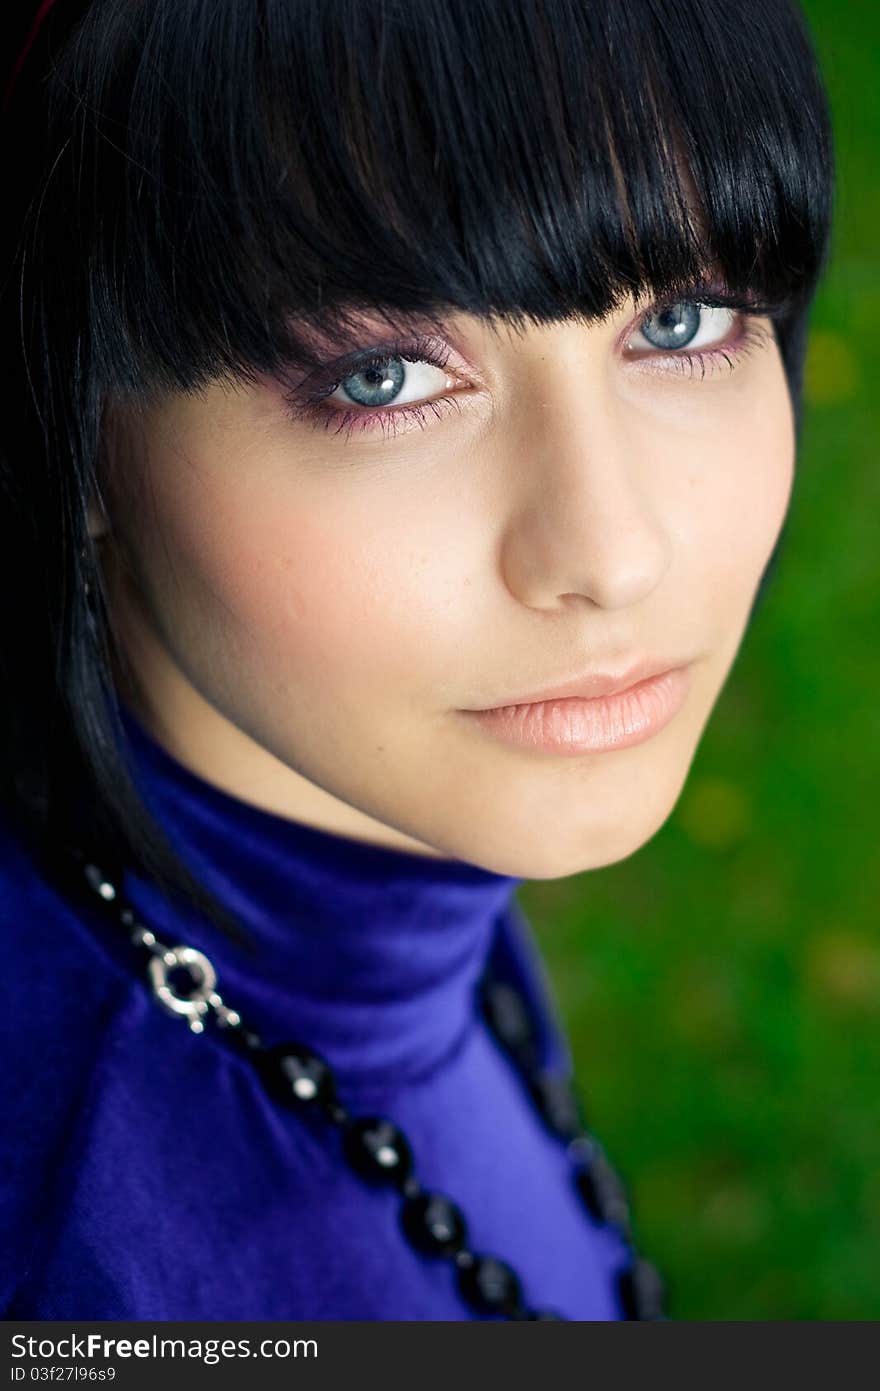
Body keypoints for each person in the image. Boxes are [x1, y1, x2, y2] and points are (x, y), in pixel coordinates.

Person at [0, 0, 833, 1320]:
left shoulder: (368, 866)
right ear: (68, 413)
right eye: (385, 378)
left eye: (681, 326)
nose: (610, 554)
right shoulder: (94, 1271)